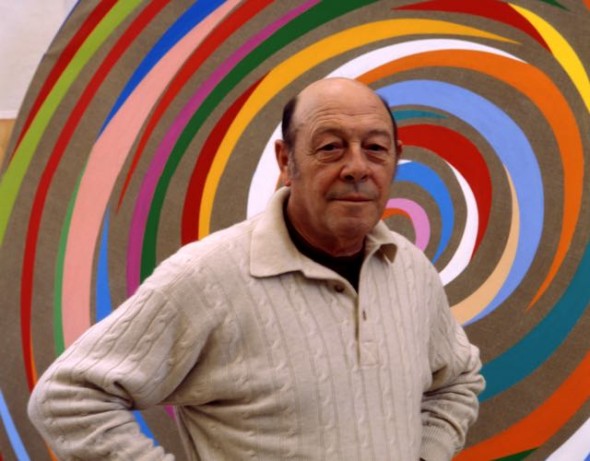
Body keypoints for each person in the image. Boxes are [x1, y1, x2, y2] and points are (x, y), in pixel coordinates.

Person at [28, 78, 484, 460]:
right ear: (286, 162)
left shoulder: (410, 271)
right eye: (330, 147)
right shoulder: (207, 276)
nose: (357, 167)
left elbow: (457, 381)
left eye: (375, 148)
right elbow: (67, 399)